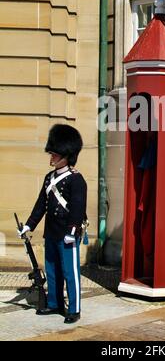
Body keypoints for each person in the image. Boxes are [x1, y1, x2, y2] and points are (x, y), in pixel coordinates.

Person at [17, 124, 87, 324]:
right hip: (52, 233)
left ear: (66, 155)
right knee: (52, 271)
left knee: (70, 273)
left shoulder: (76, 179)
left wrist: (72, 230)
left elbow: (77, 208)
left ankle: (74, 309)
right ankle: (55, 303)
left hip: (67, 233)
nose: (52, 157)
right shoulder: (49, 178)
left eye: (55, 154)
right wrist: (29, 225)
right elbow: (41, 204)